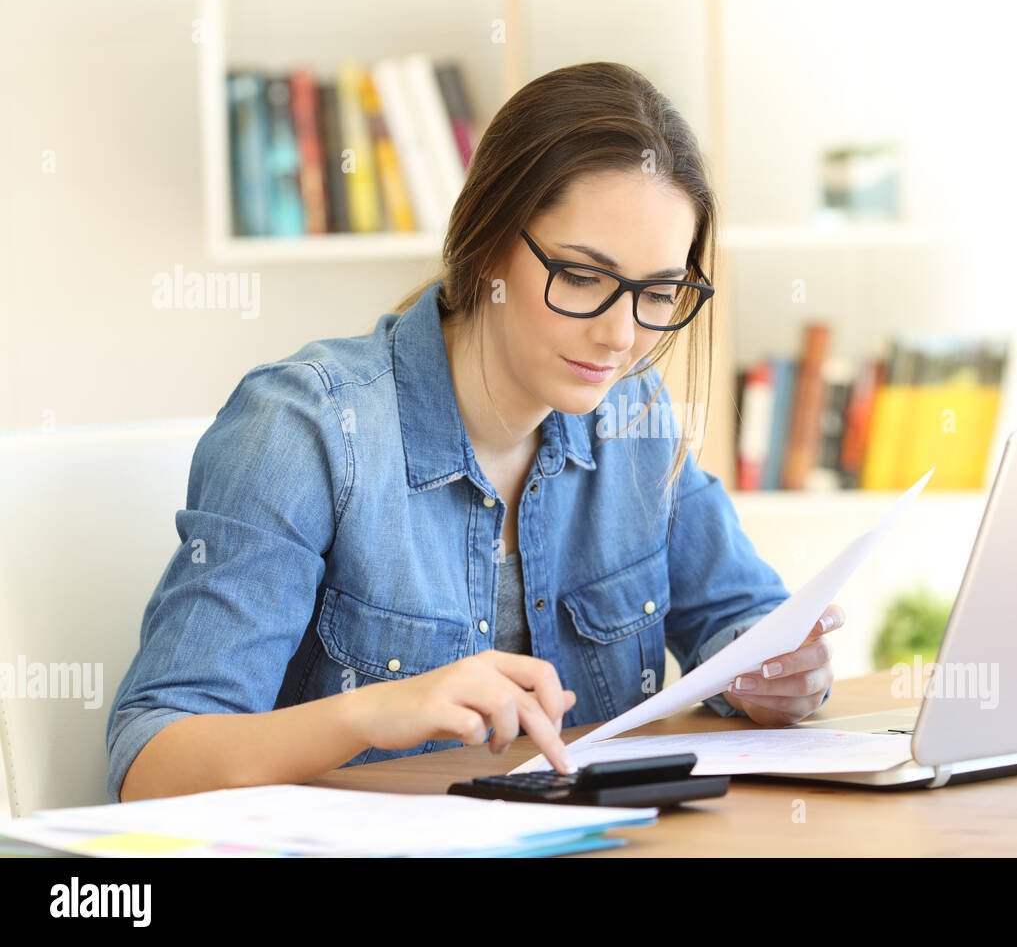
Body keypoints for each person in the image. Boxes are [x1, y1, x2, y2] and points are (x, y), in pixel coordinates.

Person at [108, 61, 839, 803]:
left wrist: (779, 675)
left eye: (658, 292)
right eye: (584, 278)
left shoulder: (634, 418)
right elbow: (151, 765)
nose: (622, 336)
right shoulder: (307, 431)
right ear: (488, 242)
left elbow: (741, 622)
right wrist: (371, 712)